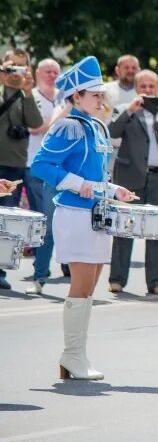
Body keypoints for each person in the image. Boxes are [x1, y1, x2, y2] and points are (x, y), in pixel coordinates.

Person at [30, 56, 136, 380]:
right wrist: (79, 185)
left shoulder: (97, 126)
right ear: (76, 96)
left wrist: (114, 189)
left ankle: (77, 355)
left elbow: (95, 173)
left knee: (90, 286)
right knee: (80, 284)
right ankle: (72, 355)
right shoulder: (68, 125)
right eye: (93, 94)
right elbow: (42, 165)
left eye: (100, 94)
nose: (99, 99)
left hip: (96, 213)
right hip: (75, 213)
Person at [107, 70, 158, 296]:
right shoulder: (126, 110)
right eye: (142, 86)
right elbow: (112, 131)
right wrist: (130, 111)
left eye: (151, 86)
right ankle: (117, 279)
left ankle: (156, 281)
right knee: (125, 229)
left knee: (157, 231)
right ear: (136, 89)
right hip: (130, 177)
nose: (147, 90)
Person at [0, 48, 43, 290]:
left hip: (14, 166)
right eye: (11, 65)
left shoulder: (27, 95)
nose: (15, 71)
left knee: (5, 220)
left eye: (20, 67)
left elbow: (36, 123)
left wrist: (26, 92)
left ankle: (0, 270)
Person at [24, 59, 61, 294]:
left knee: (61, 223)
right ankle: (40, 272)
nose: (52, 75)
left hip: (59, 167)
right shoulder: (31, 96)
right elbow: (34, 128)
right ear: (38, 73)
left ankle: (65, 266)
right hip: (33, 164)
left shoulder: (65, 96)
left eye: (56, 71)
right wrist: (56, 118)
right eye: (48, 71)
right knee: (44, 222)